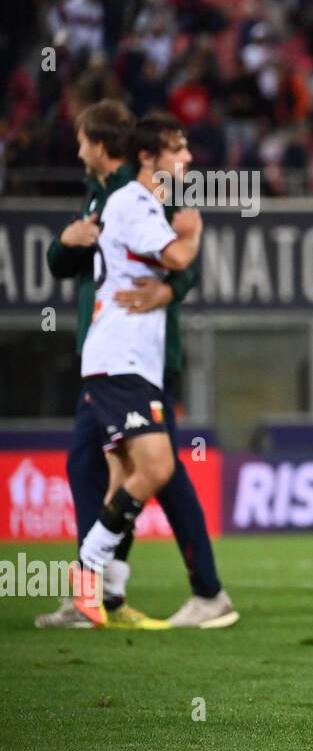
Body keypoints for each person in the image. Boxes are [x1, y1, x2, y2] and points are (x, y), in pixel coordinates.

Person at [37, 104, 236, 629]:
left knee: (122, 471)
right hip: (118, 360)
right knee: (155, 468)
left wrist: (168, 285)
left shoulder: (126, 200)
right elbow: (175, 257)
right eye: (179, 148)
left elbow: (169, 272)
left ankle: (99, 592)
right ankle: (97, 582)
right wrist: (191, 236)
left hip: (128, 361)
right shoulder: (134, 202)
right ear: (147, 156)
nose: (190, 157)